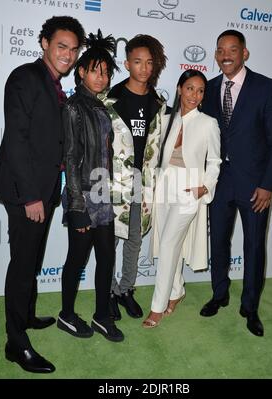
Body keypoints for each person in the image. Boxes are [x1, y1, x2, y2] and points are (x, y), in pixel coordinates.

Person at [0, 16, 85, 373]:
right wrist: (32, 196)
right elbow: (16, 139)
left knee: (31, 260)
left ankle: (27, 316)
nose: (68, 54)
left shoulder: (54, 84)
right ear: (44, 43)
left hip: (43, 191)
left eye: (74, 49)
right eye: (61, 46)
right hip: (24, 191)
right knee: (21, 267)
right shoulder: (25, 77)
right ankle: (16, 344)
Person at [200, 30, 272, 337]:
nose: (226, 55)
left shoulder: (266, 88)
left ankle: (250, 307)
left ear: (244, 54)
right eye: (220, 49)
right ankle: (219, 294)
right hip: (218, 184)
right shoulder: (207, 89)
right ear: (215, 54)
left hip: (255, 188)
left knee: (253, 246)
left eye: (233, 50)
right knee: (219, 242)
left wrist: (267, 185)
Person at [57, 30, 124, 343]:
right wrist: (77, 206)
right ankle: (66, 316)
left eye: (106, 72)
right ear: (81, 72)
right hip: (82, 196)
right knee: (76, 259)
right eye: (95, 71)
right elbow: (70, 160)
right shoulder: (73, 108)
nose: (102, 77)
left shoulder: (100, 107)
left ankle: (101, 316)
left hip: (103, 195)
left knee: (107, 258)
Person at [142, 70, 221, 328]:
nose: (194, 95)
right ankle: (176, 291)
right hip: (165, 186)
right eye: (189, 88)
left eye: (200, 91)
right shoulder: (167, 119)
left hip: (189, 189)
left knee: (167, 244)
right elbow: (155, 157)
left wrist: (204, 188)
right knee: (167, 242)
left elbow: (215, 161)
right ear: (179, 89)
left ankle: (157, 307)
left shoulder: (208, 123)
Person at [99, 34, 167, 320]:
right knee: (109, 242)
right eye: (137, 61)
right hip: (114, 184)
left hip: (144, 184)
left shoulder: (158, 102)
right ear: (127, 63)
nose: (143, 68)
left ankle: (125, 290)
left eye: (149, 62)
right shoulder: (110, 99)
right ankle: (108, 291)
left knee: (134, 240)